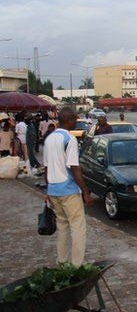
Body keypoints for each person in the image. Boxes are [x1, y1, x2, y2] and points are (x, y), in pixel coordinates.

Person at [43, 107, 93, 265]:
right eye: (75, 120)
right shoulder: (69, 139)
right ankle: (77, 265)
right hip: (68, 190)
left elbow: (46, 168)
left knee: (63, 228)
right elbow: (75, 168)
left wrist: (48, 189)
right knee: (78, 228)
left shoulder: (49, 138)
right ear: (69, 120)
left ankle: (61, 263)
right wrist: (85, 192)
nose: (76, 122)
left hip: (53, 190)